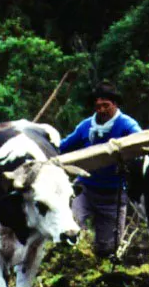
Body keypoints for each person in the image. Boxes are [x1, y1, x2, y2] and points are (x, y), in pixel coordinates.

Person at [59, 81, 142, 258]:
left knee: (107, 248)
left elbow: (141, 143)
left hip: (113, 195)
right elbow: (64, 146)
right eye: (98, 106)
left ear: (115, 104)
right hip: (85, 189)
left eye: (106, 105)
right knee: (69, 229)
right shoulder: (86, 126)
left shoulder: (127, 125)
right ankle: (70, 261)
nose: (102, 110)